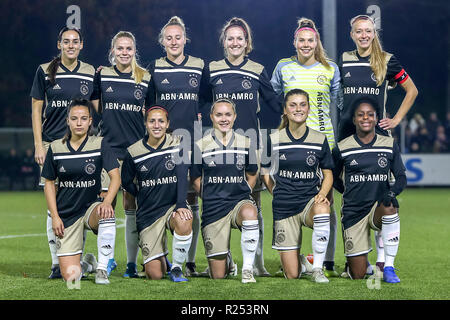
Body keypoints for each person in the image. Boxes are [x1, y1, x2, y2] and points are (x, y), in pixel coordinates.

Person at [202, 17, 282, 276]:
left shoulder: (257, 69)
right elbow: (200, 103)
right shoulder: (212, 69)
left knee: (253, 203)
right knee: (214, 198)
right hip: (218, 147)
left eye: (240, 38)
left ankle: (256, 263)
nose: (235, 42)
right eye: (230, 38)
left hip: (250, 146)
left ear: (247, 42)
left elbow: (274, 102)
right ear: (223, 42)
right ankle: (220, 257)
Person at [338, 14, 417, 273]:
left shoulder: (385, 60)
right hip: (346, 137)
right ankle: (351, 252)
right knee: (350, 192)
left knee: (381, 194)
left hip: (377, 138)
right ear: (352, 34)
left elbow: (412, 90)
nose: (363, 35)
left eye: (368, 31)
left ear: (374, 34)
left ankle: (384, 260)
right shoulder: (344, 60)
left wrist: (395, 120)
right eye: (359, 31)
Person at [271, 17, 341, 277]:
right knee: (288, 192)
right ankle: (294, 253)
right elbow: (273, 97)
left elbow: (341, 104)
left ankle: (327, 260)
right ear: (295, 42)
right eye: (301, 40)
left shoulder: (329, 68)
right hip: (289, 141)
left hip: (324, 141)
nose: (306, 44)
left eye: (311, 40)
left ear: (316, 42)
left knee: (325, 202)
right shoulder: (283, 67)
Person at [30, 27, 96, 279]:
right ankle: (56, 263)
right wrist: (38, 144)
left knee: (80, 203)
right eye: (66, 41)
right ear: (59, 44)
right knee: (53, 206)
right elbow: (37, 110)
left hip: (82, 148)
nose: (70, 45)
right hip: (52, 146)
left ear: (82, 45)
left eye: (75, 41)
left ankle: (79, 255)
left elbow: (100, 108)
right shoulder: (44, 70)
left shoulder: (90, 72)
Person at [146, 16, 205, 276]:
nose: (173, 41)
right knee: (160, 197)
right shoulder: (155, 68)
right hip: (163, 146)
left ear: (185, 40)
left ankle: (188, 261)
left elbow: (208, 98)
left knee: (191, 201)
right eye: (168, 38)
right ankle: (158, 255)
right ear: (162, 42)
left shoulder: (199, 66)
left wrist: (200, 115)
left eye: (178, 37)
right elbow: (147, 105)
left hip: (191, 143)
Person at [91, 31, 152, 278]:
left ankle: (131, 264)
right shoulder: (103, 75)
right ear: (113, 50)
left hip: (136, 151)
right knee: (107, 203)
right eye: (120, 48)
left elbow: (152, 110)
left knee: (132, 204)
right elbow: (96, 101)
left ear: (134, 51)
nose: (124, 52)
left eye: (129, 48)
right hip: (110, 149)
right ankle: (106, 262)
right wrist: (107, 116)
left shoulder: (145, 78)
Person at [41, 99, 120, 285]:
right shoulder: (55, 147)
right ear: (67, 120)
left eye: (83, 118)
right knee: (71, 277)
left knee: (107, 214)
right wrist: (55, 216)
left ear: (90, 121)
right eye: (74, 118)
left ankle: (102, 267)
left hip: (90, 208)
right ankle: (88, 264)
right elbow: (49, 184)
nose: (79, 123)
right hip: (67, 213)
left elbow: (116, 177)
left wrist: (107, 201)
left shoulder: (100, 144)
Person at [261, 89, 333, 283]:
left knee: (322, 209)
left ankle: (318, 268)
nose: (298, 109)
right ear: (285, 110)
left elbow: (328, 173)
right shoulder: (274, 139)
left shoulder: (319, 139)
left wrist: (322, 194)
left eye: (302, 104)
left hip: (309, 202)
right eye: (293, 105)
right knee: (293, 275)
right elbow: (264, 171)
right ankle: (304, 261)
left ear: (309, 109)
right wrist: (274, 191)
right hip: (284, 207)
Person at [332, 98, 406, 283]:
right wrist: (348, 192)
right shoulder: (342, 147)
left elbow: (401, 177)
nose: (366, 118)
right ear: (354, 120)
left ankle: (388, 265)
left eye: (370, 114)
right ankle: (362, 263)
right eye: (361, 115)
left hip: (377, 208)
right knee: (358, 275)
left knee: (390, 207)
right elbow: (332, 178)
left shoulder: (389, 144)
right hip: (353, 212)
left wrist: (391, 193)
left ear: (376, 118)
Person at [191, 98, 260, 283]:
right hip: (214, 208)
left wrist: (245, 190)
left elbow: (252, 173)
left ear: (235, 117)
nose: (224, 119)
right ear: (211, 117)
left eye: (228, 114)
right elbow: (196, 179)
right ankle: (227, 260)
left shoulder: (246, 143)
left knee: (250, 212)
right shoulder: (200, 145)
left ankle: (247, 269)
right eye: (219, 114)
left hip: (238, 202)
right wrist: (207, 196)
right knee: (218, 276)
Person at [121, 106, 193, 282]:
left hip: (172, 208)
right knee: (155, 275)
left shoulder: (178, 143)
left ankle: (176, 268)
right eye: (152, 121)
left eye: (161, 121)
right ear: (145, 124)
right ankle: (161, 259)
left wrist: (181, 204)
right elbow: (126, 181)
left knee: (184, 220)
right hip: (148, 214)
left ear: (167, 123)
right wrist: (139, 193)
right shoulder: (133, 152)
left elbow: (183, 175)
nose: (156, 125)